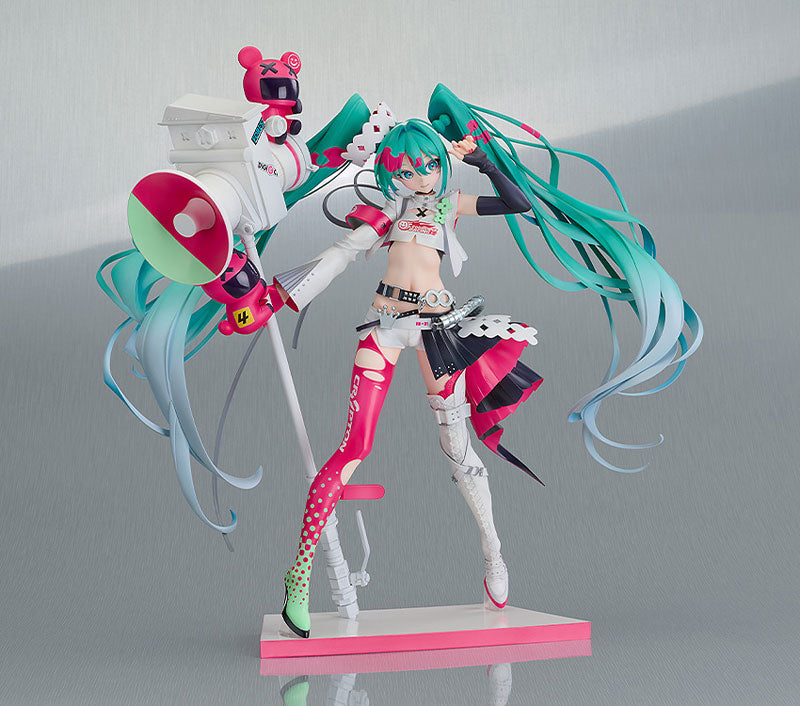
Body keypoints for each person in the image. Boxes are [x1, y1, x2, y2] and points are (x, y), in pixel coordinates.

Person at [263, 120, 543, 638]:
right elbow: (342, 254)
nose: (422, 176)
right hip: (385, 325)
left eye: (430, 165)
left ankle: (493, 552)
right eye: (409, 170)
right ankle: (299, 576)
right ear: (393, 171)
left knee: (457, 447)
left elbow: (518, 203)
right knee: (354, 446)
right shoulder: (389, 210)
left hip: (438, 330)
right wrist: (281, 294)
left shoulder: (449, 204)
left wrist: (482, 162)